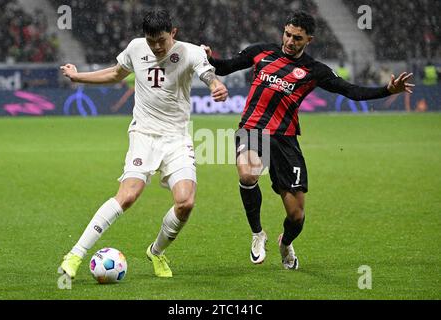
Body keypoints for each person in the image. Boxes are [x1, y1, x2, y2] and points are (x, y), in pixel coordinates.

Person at [202, 11, 414, 270]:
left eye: (297, 38)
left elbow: (351, 91)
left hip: (286, 140)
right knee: (247, 174)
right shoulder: (261, 52)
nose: (290, 41)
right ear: (284, 31)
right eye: (288, 34)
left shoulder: (314, 70)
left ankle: (285, 242)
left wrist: (387, 90)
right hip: (252, 128)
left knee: (296, 215)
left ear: (308, 40)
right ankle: (258, 233)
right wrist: (210, 57)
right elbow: (225, 67)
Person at [58, 10, 228, 279]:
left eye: (161, 40)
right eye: (152, 41)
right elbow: (116, 73)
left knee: (185, 203)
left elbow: (207, 74)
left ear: (173, 33)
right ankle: (75, 254)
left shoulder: (192, 52)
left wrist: (216, 85)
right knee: (127, 196)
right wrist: (79, 77)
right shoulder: (136, 48)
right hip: (144, 135)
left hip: (177, 138)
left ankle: (156, 252)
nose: (157, 47)